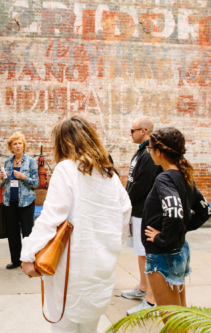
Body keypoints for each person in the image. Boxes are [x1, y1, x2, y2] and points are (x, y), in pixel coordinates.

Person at [21, 116, 132, 333]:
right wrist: (113, 244)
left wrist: (28, 254)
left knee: (64, 326)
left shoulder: (66, 169)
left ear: (63, 142)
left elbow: (50, 217)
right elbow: (125, 211)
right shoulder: (109, 174)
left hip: (71, 268)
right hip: (102, 266)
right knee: (90, 327)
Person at [142, 127, 211, 308]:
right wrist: (181, 228)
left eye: (150, 149)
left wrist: (161, 238)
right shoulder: (184, 176)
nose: (149, 153)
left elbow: (173, 213)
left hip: (163, 256)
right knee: (180, 315)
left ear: (158, 151)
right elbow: (206, 211)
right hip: (178, 251)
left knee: (172, 319)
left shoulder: (164, 179)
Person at [121, 116, 162, 315]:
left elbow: (142, 186)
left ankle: (151, 300)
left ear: (143, 130)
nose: (130, 133)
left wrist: (125, 200)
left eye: (132, 130)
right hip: (136, 211)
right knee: (140, 252)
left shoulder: (149, 154)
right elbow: (132, 181)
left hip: (145, 212)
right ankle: (143, 288)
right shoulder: (140, 152)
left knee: (148, 255)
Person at [0, 132, 39, 269]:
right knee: (12, 232)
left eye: (20, 143)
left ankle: (29, 260)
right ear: (11, 146)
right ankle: (16, 261)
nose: (18, 146)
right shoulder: (8, 162)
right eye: (15, 143)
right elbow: (3, 184)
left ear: (24, 145)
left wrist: (23, 177)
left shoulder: (31, 162)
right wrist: (3, 178)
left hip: (26, 202)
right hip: (10, 202)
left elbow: (36, 183)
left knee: (27, 232)